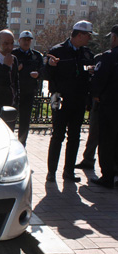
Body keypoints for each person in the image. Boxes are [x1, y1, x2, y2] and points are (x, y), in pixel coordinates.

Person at [45, 20, 95, 183]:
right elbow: (46, 75)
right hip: (61, 101)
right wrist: (51, 66)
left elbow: (88, 76)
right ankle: (51, 172)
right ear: (79, 35)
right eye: (88, 35)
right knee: (57, 136)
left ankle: (68, 171)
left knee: (74, 137)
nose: (89, 39)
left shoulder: (87, 54)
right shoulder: (57, 51)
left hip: (78, 101)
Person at [89, 24, 118, 188]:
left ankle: (107, 176)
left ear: (114, 37)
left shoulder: (109, 56)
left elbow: (99, 80)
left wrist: (96, 96)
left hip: (109, 106)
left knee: (106, 141)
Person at [12, 31, 44, 147]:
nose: (26, 42)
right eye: (24, 40)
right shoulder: (13, 54)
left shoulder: (36, 55)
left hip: (28, 91)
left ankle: (22, 144)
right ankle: (10, 144)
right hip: (15, 91)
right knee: (11, 119)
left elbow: (43, 71)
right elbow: (6, 70)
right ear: (19, 41)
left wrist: (38, 74)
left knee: (25, 121)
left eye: (29, 40)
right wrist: (16, 69)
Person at [74, 53, 103, 170]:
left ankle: (111, 166)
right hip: (97, 100)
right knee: (94, 131)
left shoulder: (107, 58)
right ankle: (88, 159)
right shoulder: (100, 57)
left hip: (108, 100)